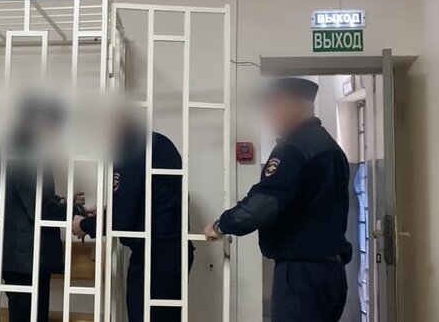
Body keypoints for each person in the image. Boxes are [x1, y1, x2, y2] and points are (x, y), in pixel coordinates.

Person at [204, 78, 352, 322]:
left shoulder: (294, 148)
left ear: (293, 106)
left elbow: (264, 203)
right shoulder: (330, 147)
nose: (269, 116)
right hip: (331, 273)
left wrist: (222, 225)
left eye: (273, 106)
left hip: (301, 274)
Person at [72, 113, 194, 322]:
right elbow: (147, 200)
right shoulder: (158, 143)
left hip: (154, 256)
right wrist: (107, 210)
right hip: (174, 250)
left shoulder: (131, 151)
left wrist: (84, 225)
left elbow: (123, 218)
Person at [0, 98, 85, 322]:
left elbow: (26, 200)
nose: (53, 133)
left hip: (21, 255)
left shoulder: (17, 144)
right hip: (25, 257)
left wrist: (63, 203)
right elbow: (38, 207)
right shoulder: (23, 148)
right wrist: (75, 211)